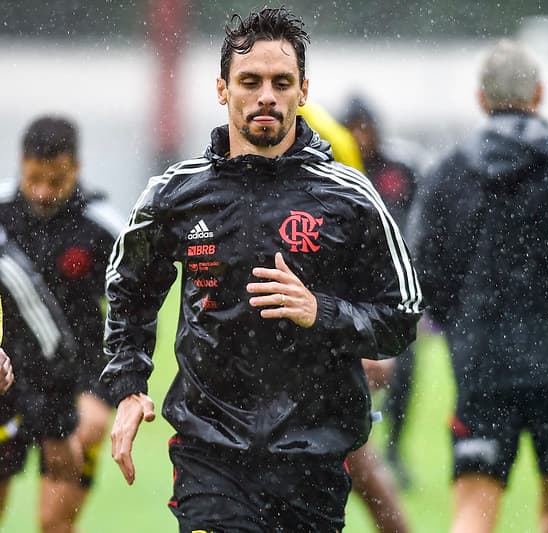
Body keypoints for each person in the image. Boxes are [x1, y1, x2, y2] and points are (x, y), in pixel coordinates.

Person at [100, 7, 421, 532]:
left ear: (304, 91)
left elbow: (403, 315)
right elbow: (130, 289)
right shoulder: (175, 195)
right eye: (250, 81)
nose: (266, 95)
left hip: (313, 453)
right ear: (223, 89)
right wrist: (130, 383)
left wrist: (323, 311)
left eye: (281, 81)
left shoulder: (350, 197)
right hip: (210, 453)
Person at [408, 39, 548, 533]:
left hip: (481, 360)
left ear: (481, 98)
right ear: (540, 93)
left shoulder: (447, 169)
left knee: (473, 510)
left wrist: (453, 320)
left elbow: (423, 264)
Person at [0, 116, 123, 531]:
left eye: (56, 180)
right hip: (6, 388)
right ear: (21, 163)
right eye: (34, 178)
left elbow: (135, 314)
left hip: (75, 388)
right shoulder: (0, 216)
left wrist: (102, 395)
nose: (43, 191)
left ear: (77, 167)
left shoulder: (105, 228)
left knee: (55, 526)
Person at [341, 94, 418, 488]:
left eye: (364, 126)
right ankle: (354, 446)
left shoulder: (401, 169)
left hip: (395, 290)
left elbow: (420, 223)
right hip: (350, 293)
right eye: (352, 127)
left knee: (404, 371)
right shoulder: (335, 171)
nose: (360, 135)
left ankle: (392, 450)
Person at [0, 225, 84, 532]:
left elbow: (51, 342)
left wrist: (57, 426)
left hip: (6, 415)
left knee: (54, 523)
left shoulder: (4, 263)